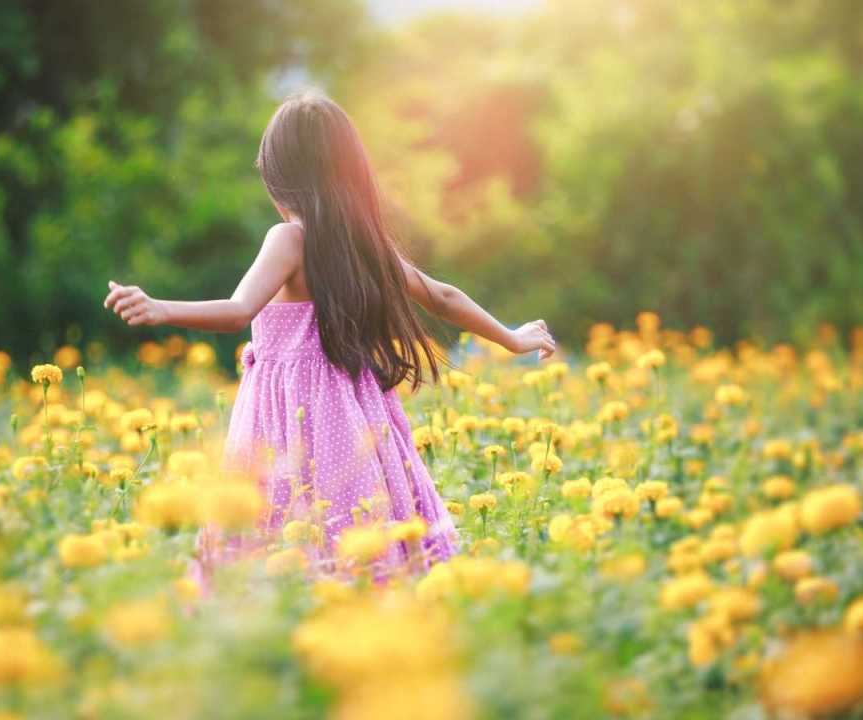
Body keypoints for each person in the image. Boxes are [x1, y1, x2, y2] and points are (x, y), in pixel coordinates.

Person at [103, 89, 554, 583]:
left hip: (286, 415)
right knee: (353, 525)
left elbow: (238, 311)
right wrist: (511, 338)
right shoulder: (362, 242)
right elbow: (442, 297)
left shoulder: (289, 238)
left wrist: (162, 308)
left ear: (278, 178)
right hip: (351, 415)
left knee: (277, 528)